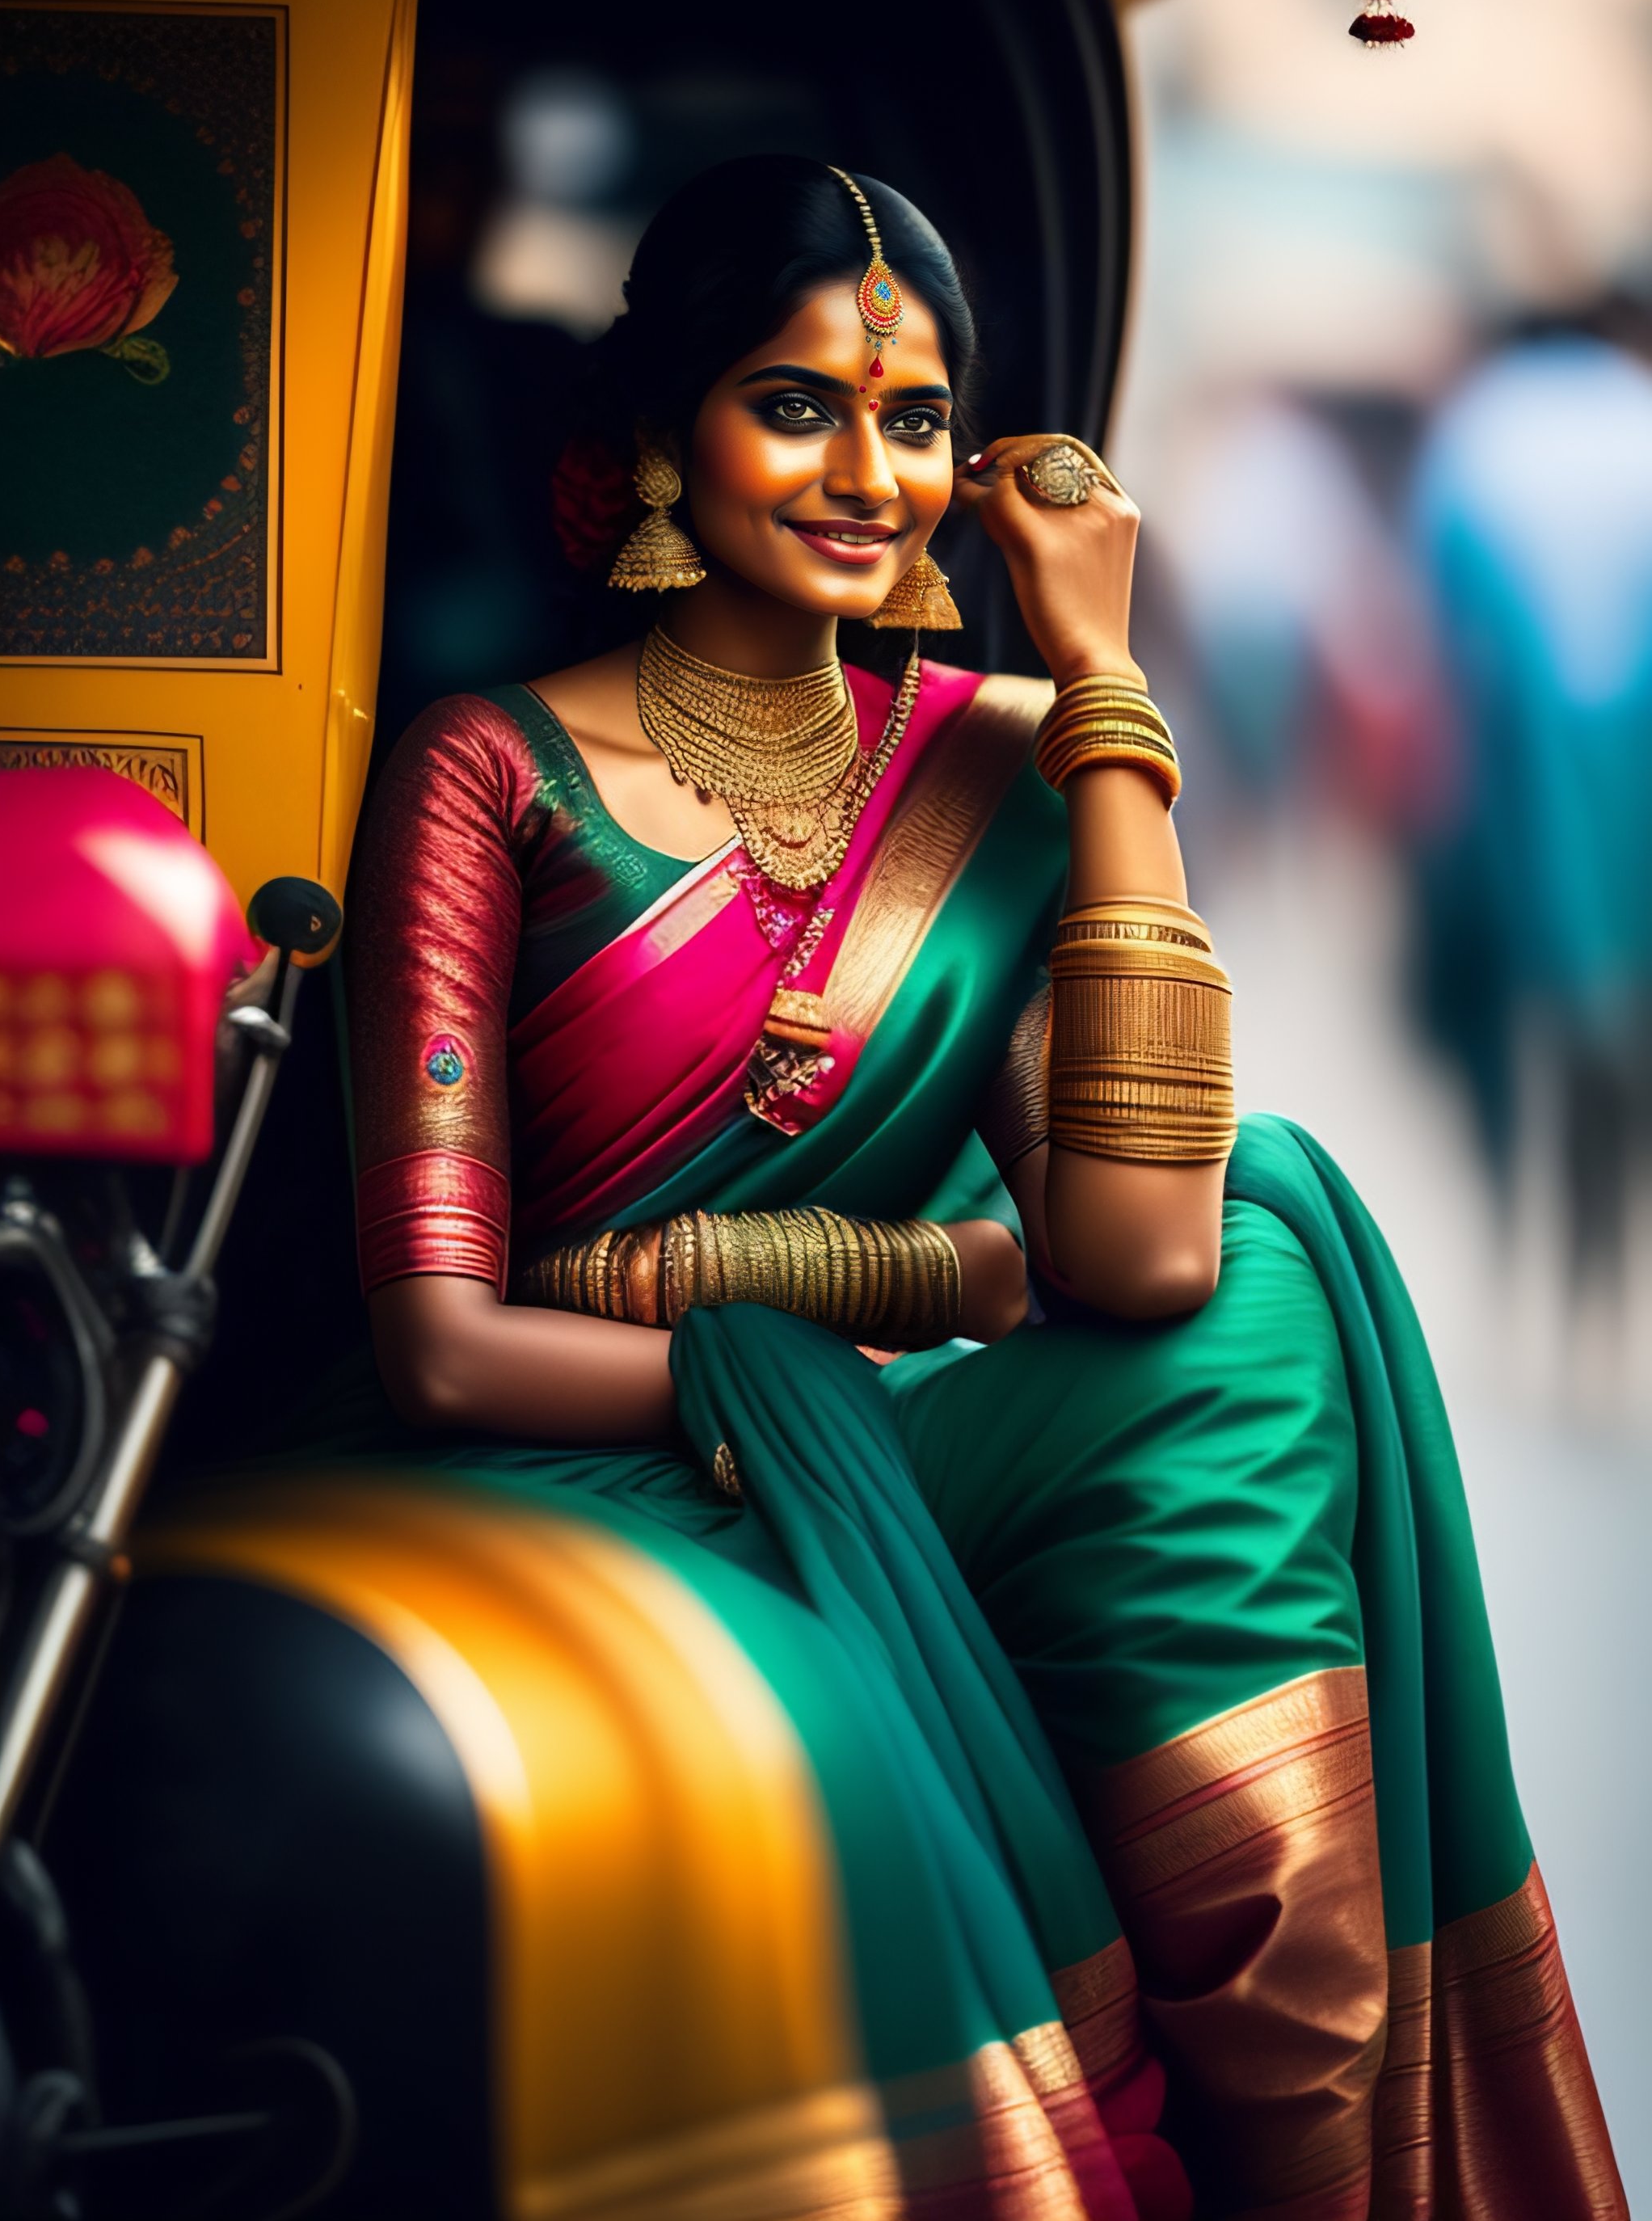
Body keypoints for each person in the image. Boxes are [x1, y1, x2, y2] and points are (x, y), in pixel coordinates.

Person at [343, 157, 1623, 2219]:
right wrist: (888, 1301)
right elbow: (441, 1348)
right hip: (598, 1462)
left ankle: (1307, 2139)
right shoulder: (491, 773)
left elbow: (1137, 1247)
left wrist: (1101, 692)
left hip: (861, 1422)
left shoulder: (997, 757)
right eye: (797, 404)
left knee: (1271, 1248)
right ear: (669, 433)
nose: (869, 472)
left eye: (917, 419)